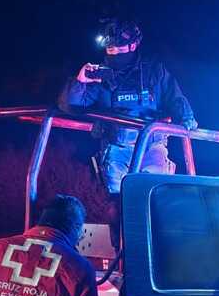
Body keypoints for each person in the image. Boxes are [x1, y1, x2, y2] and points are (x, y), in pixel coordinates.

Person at [58, 17, 197, 195]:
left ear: (133, 46)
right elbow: (70, 106)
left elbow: (175, 99)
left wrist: (186, 119)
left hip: (153, 148)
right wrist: (80, 81)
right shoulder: (100, 75)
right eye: (110, 48)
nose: (114, 52)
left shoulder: (154, 72)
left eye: (119, 47)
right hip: (116, 149)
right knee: (120, 201)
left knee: (155, 198)